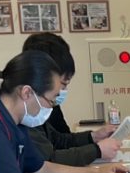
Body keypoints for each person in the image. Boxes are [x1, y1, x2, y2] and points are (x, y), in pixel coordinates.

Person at [21, 32, 121, 165]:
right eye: (62, 84)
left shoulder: (39, 104)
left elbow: (58, 140)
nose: (61, 92)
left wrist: (94, 136)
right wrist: (96, 150)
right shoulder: (23, 110)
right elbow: (46, 163)